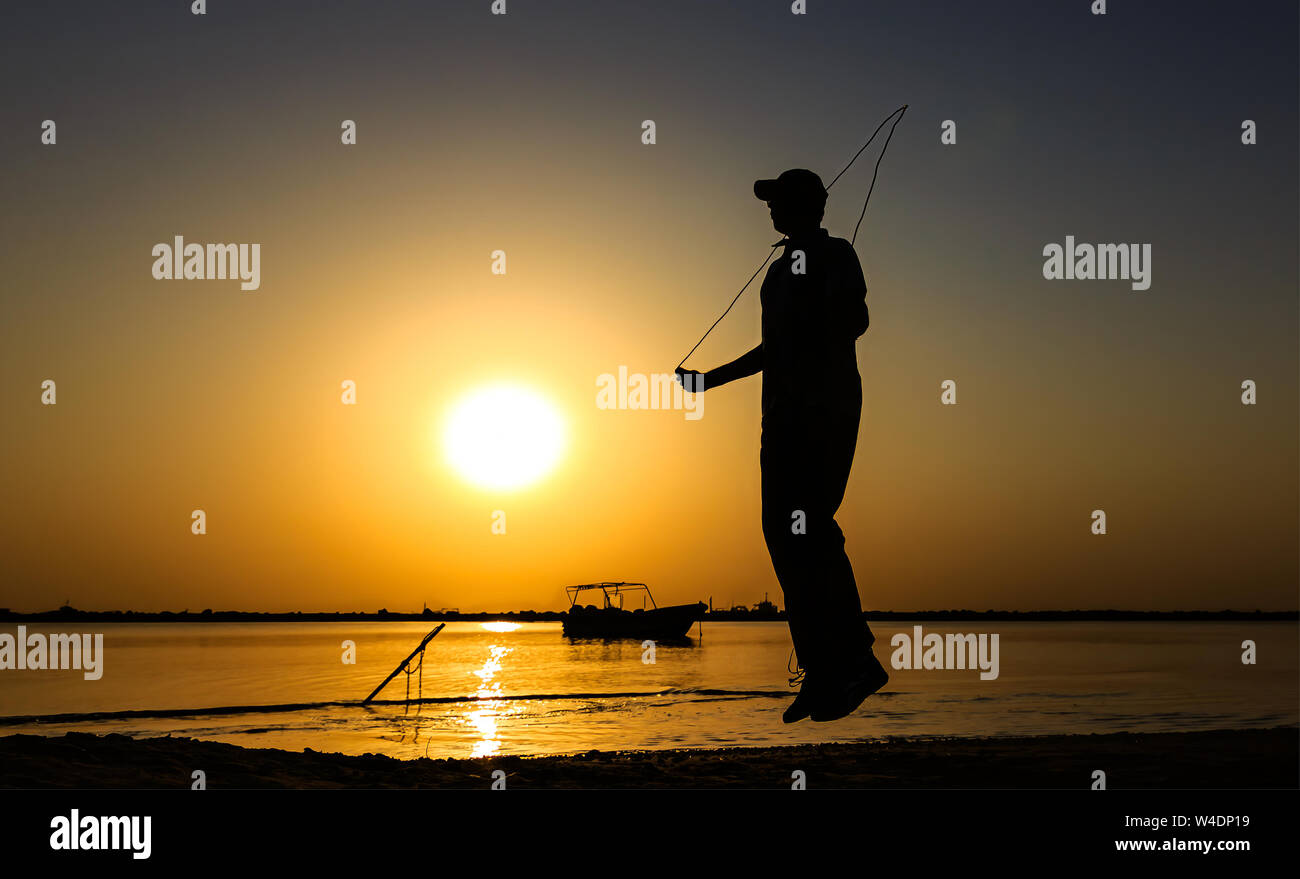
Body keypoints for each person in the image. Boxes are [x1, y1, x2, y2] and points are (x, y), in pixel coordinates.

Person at [676, 168, 888, 723]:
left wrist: (820, 321)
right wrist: (710, 381)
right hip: (781, 420)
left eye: (780, 201)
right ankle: (824, 671)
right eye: (769, 202)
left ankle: (855, 661)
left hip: (824, 411)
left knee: (809, 525)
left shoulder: (836, 254)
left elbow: (855, 319)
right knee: (784, 534)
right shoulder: (775, 276)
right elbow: (773, 349)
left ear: (808, 206)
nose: (770, 210)